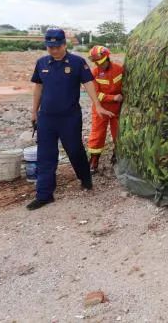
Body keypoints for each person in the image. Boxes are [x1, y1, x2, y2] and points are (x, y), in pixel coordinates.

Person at [28, 29, 114, 210]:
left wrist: (98, 105)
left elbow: (89, 83)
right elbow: (38, 88)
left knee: (75, 151)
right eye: (50, 47)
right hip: (47, 118)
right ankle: (44, 194)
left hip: (69, 117)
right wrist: (34, 111)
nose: (54, 50)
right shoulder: (42, 63)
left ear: (64, 45)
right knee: (45, 156)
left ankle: (85, 179)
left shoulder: (77, 62)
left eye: (57, 47)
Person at [86, 45, 123, 173]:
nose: (99, 65)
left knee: (118, 133)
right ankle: (94, 160)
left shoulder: (119, 69)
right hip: (100, 108)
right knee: (97, 134)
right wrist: (113, 98)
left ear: (108, 58)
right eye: (97, 63)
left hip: (117, 109)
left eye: (101, 63)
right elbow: (96, 94)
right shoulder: (94, 73)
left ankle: (117, 155)